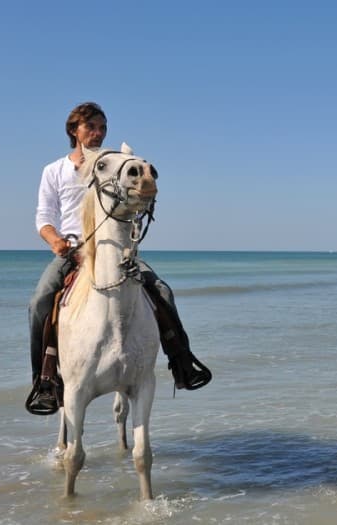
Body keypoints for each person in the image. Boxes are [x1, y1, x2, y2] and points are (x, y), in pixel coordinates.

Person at [26, 102, 211, 414]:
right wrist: (55, 240)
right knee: (39, 302)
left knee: (162, 290)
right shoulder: (54, 170)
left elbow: (135, 191)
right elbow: (44, 217)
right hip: (75, 250)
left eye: (102, 127)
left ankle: (182, 363)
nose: (98, 133)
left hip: (115, 247)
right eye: (91, 127)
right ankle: (44, 381)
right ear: (75, 131)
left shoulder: (114, 164)